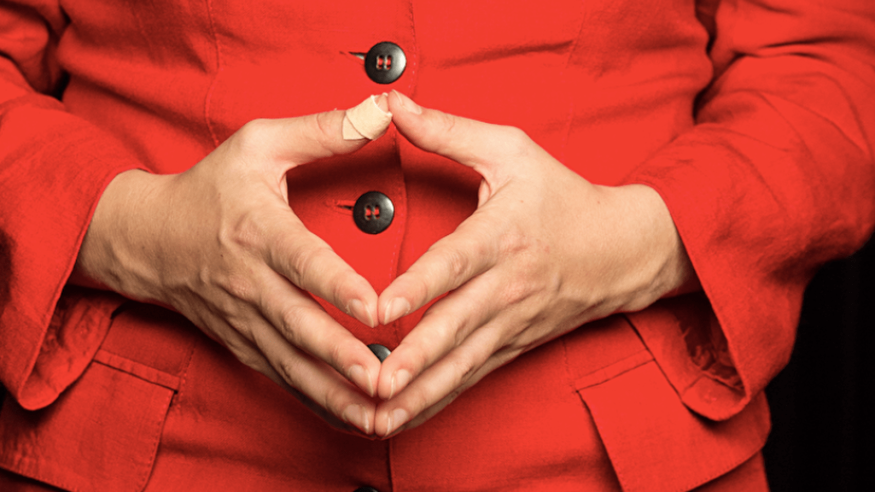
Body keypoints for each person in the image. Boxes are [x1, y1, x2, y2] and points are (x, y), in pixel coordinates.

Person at [1, 0, 873, 490]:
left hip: (614, 455)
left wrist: (634, 242)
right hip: (139, 450)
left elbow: (822, 67)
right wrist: (133, 231)